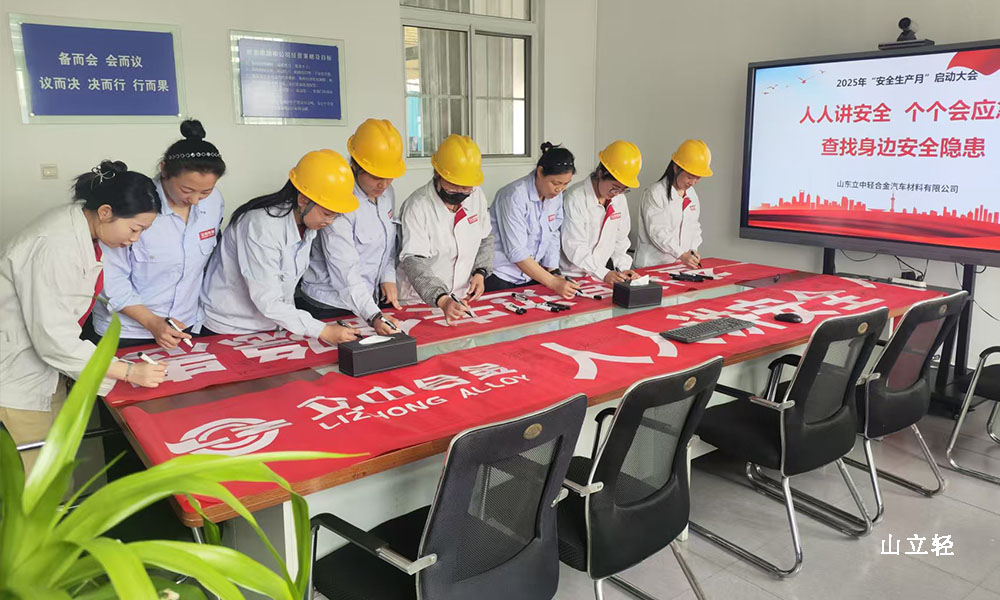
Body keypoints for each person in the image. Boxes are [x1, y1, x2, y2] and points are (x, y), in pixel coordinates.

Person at [0, 160, 167, 473]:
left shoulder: (80, 228)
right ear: (105, 212)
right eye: (135, 229)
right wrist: (128, 372)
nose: (135, 239)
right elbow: (55, 339)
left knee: (56, 467)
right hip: (17, 373)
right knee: (36, 480)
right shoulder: (56, 246)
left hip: (44, 369)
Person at [88, 119, 226, 348]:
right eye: (187, 189)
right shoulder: (135, 204)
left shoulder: (214, 202)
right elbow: (111, 278)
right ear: (164, 169)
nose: (194, 200)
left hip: (183, 323)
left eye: (205, 191)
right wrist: (152, 322)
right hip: (126, 331)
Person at [200, 150, 361, 344]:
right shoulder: (261, 226)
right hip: (230, 328)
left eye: (336, 215)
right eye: (327, 213)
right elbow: (267, 299)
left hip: (273, 326)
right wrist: (324, 331)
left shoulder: (307, 226)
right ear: (303, 200)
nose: (330, 221)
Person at [300, 119, 405, 335]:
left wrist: (387, 277)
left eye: (389, 177)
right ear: (356, 165)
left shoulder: (387, 194)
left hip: (368, 302)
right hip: (330, 305)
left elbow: (387, 243)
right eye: (376, 177)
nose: (383, 184)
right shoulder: (340, 198)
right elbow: (344, 270)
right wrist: (374, 316)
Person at [397, 134, 494, 323]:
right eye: (453, 186)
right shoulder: (417, 206)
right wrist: (441, 299)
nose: (460, 192)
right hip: (419, 301)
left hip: (460, 298)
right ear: (437, 174)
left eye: (466, 188)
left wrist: (480, 272)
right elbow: (413, 260)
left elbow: (485, 237)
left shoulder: (476, 196)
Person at [487, 142, 579, 298]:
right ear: (540, 172)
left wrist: (553, 271)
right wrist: (553, 282)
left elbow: (553, 233)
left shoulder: (555, 196)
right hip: (501, 277)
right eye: (556, 183)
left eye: (565, 184)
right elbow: (516, 251)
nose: (560, 189)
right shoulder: (514, 196)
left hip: (532, 276)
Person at [560, 140, 641, 284]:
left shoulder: (619, 199)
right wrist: (602, 273)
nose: (617, 193)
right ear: (601, 173)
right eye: (615, 187)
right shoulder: (575, 198)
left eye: (623, 189)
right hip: (572, 276)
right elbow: (574, 246)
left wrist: (623, 268)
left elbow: (620, 240)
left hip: (600, 276)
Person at [635, 139, 713, 269]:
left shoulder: (691, 194)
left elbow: (694, 226)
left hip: (679, 266)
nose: (693, 182)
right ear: (676, 168)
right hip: (652, 265)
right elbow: (658, 231)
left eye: (698, 178)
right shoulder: (655, 193)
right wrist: (681, 254)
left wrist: (693, 250)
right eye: (690, 176)